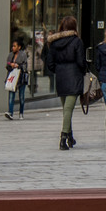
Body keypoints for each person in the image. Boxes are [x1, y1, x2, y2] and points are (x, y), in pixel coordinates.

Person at [44, 15, 86, 150]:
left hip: (61, 78)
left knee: (66, 109)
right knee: (68, 109)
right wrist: (83, 70)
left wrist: (59, 69)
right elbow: (81, 62)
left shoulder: (54, 43)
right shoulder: (77, 41)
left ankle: (70, 136)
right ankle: (63, 138)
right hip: (74, 76)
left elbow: (49, 63)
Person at [4, 39, 28, 120]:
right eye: (12, 46)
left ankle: (21, 113)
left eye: (14, 46)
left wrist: (18, 65)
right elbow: (7, 64)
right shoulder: (10, 55)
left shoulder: (23, 55)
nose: (13, 48)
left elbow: (25, 66)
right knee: (11, 95)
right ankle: (10, 112)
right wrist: (11, 64)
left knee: (21, 96)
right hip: (12, 77)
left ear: (19, 47)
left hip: (20, 78)